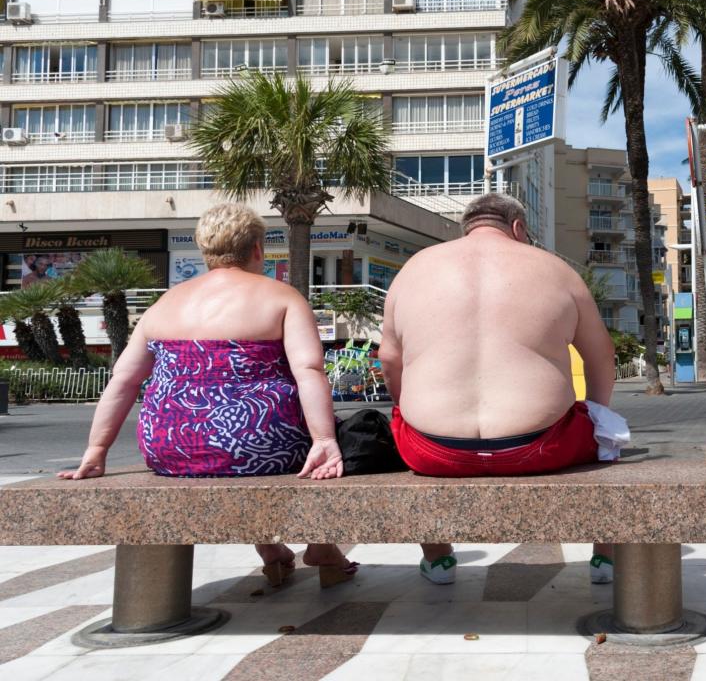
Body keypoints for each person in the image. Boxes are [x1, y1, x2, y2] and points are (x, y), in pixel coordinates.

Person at [58, 203, 356, 588]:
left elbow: (123, 382)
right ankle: (322, 547)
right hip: (258, 441)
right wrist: (325, 439)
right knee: (299, 440)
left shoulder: (166, 303)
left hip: (171, 445)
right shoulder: (282, 297)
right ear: (257, 249)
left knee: (232, 443)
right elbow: (309, 371)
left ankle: (271, 551)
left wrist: (96, 452)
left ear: (204, 251)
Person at [379, 193, 626, 585]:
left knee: (401, 419)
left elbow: (389, 361)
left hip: (431, 450)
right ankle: (605, 558)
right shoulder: (556, 270)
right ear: (518, 228)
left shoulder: (414, 269)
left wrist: (411, 410)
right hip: (542, 446)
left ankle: (438, 557)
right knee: (607, 438)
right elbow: (601, 356)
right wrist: (597, 417)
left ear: (468, 227)